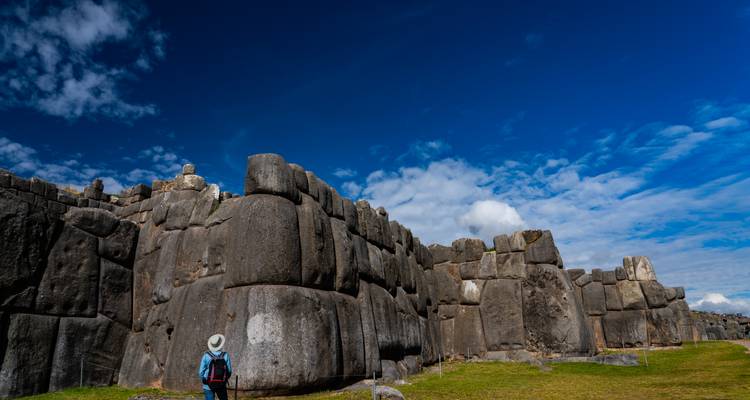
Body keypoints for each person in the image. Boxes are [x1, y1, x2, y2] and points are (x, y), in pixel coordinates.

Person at [199, 334, 232, 400]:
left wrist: (204, 379)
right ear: (220, 344)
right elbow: (229, 371)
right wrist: (224, 379)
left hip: (208, 385)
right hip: (221, 384)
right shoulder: (225, 355)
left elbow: (201, 372)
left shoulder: (206, 355)